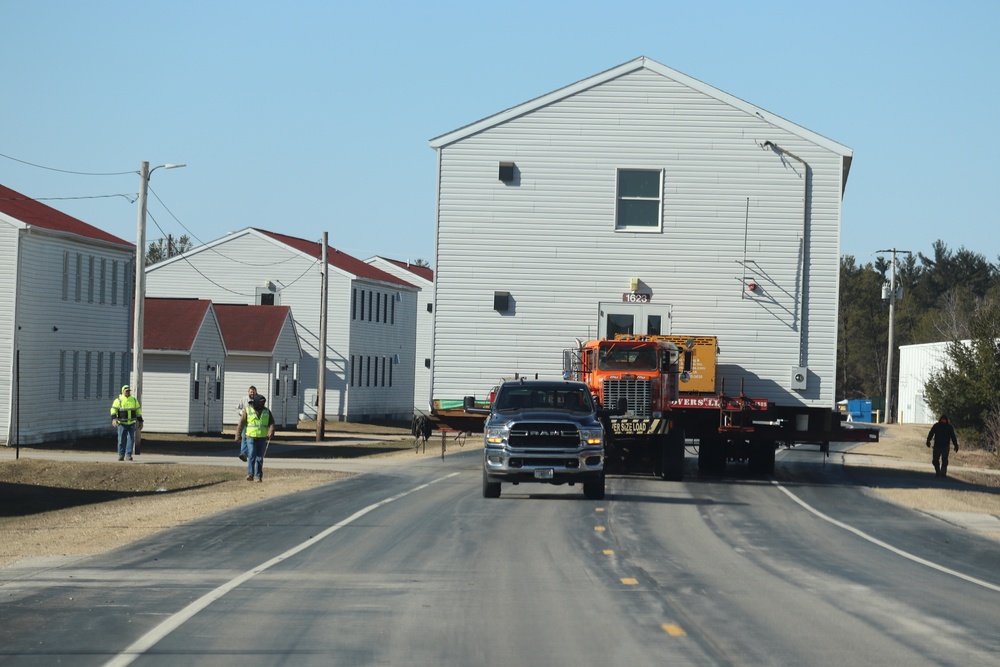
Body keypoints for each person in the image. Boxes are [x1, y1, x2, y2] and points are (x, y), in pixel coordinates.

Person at [235, 394, 274, 482]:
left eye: (263, 403)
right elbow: (241, 423)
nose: (261, 404)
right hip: (250, 437)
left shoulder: (267, 411)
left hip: (262, 438)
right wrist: (237, 435)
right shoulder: (248, 410)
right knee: (252, 455)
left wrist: (271, 431)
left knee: (259, 458)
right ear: (256, 402)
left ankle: (258, 476)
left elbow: (271, 423)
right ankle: (250, 474)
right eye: (260, 402)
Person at [110, 384, 143, 461]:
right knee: (121, 439)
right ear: (123, 391)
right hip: (122, 423)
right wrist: (114, 419)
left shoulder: (134, 400)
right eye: (126, 391)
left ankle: (128, 455)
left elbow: (138, 411)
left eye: (129, 391)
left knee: (131, 439)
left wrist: (141, 421)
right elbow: (113, 410)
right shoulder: (118, 400)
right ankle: (121, 455)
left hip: (131, 423)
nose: (128, 392)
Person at [235, 386, 258, 462]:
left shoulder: (258, 399)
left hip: (255, 423)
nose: (252, 393)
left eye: (254, 391)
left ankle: (252, 453)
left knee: (253, 439)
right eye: (251, 391)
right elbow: (237, 408)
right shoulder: (243, 400)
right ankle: (243, 453)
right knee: (244, 437)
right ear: (248, 392)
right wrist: (241, 412)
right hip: (245, 422)